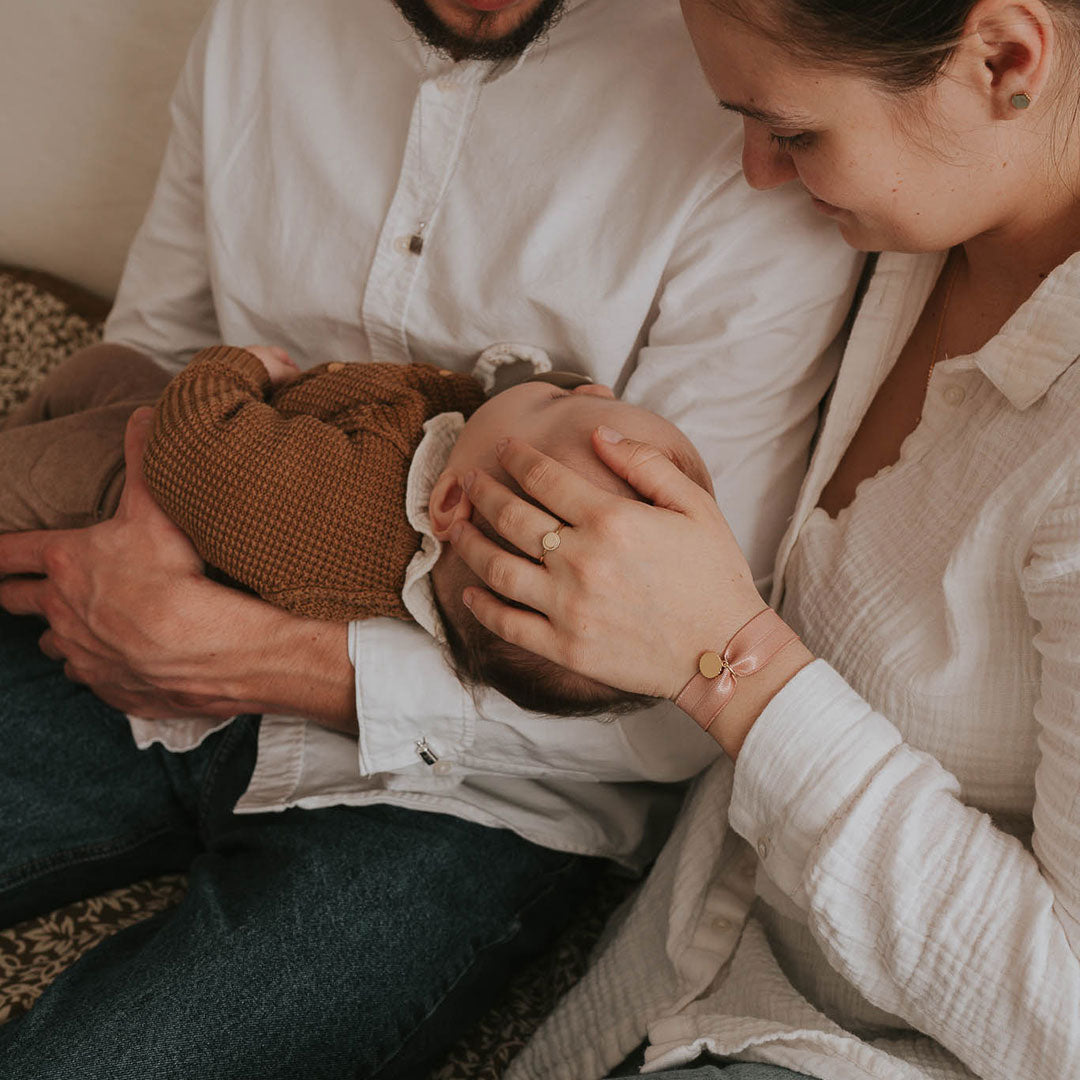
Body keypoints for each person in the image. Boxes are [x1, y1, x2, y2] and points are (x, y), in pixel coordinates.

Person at [0, 0, 860, 1075]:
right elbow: (160, 343)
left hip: (474, 792)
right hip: (158, 610)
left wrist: (248, 654)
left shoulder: (749, 104)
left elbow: (680, 697)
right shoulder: (259, 26)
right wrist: (114, 549)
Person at [445, 0, 1080, 1077]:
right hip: (693, 981)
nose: (757, 174)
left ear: (1000, 59)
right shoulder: (917, 235)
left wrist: (737, 669)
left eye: (792, 132)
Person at [0, 339, 710, 714]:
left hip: (123, 488)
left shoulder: (335, 512)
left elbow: (199, 448)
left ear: (450, 505)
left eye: (558, 407)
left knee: (23, 473)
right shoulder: (452, 466)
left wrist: (232, 367)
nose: (591, 386)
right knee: (103, 367)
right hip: (178, 436)